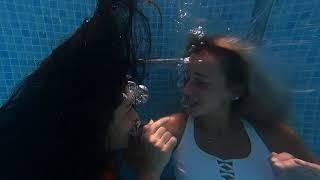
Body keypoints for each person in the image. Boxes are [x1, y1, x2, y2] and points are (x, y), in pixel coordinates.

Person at [0, 0, 176, 180]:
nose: (136, 118)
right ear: (95, 117)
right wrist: (150, 172)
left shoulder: (68, 148)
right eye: (129, 109)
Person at [153, 35, 319, 179]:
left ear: (234, 91)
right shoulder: (171, 130)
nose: (185, 89)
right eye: (186, 78)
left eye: (201, 83)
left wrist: (310, 174)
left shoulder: (272, 135)